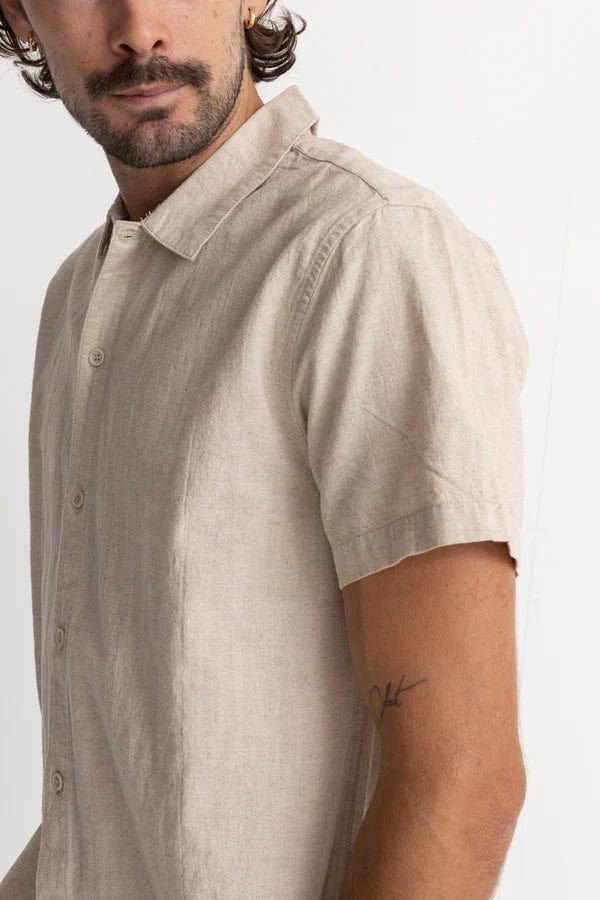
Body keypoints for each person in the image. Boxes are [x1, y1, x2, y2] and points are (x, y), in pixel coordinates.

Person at [0, 2, 529, 898]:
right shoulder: (77, 299)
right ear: (19, 16)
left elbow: (461, 781)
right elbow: (112, 796)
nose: (138, 28)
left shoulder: (366, 248)